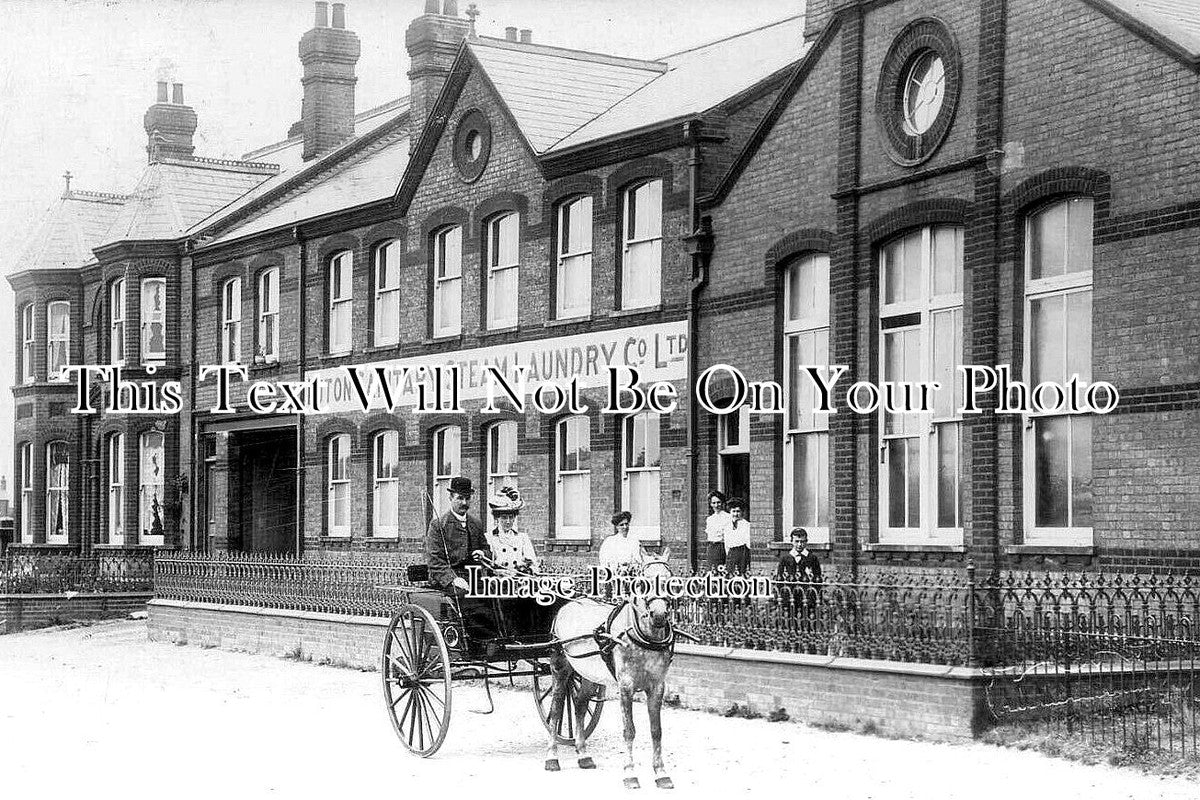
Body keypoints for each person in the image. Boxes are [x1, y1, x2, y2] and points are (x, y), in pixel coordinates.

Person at [425, 476, 499, 645]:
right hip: (449, 579)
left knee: (497, 592)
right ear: (451, 498)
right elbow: (435, 562)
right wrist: (453, 579)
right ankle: (475, 642)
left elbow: (487, 549)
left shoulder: (476, 523)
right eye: (460, 498)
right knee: (467, 595)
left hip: (474, 577)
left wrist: (482, 553)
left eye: (467, 498)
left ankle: (496, 639)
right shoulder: (438, 525)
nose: (464, 502)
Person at [704, 490, 731, 572]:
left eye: (718, 502)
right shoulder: (710, 519)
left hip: (722, 547)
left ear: (722, 503)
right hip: (712, 548)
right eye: (714, 503)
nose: (716, 505)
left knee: (722, 572)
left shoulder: (728, 517)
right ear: (711, 504)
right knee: (711, 572)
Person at [724, 497, 751, 576]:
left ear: (742, 512)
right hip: (731, 554)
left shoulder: (746, 525)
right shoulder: (727, 526)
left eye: (738, 511)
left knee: (741, 575)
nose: (735, 514)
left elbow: (748, 543)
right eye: (733, 511)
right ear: (730, 512)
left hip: (742, 553)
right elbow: (726, 545)